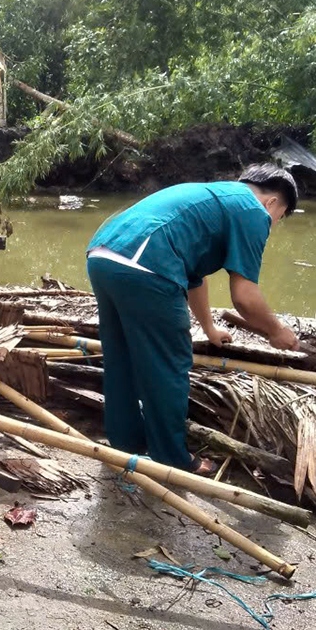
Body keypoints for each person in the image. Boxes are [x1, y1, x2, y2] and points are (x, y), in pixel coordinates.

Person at [85, 163, 301, 474]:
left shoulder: (219, 196)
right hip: (146, 265)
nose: (274, 224)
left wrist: (209, 328)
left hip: (104, 254)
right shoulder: (254, 212)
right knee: (169, 364)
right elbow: (244, 296)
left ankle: (125, 443)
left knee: (121, 357)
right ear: (272, 203)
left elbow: (194, 277)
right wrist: (276, 330)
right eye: (280, 217)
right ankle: (171, 459)